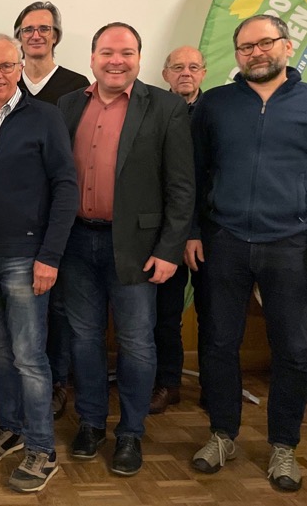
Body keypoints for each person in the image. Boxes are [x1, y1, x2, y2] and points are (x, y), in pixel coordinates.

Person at [56, 23, 194, 476]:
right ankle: (93, 423)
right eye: (107, 52)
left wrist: (170, 249)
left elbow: (181, 186)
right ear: (92, 57)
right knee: (85, 339)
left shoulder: (166, 107)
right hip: (77, 241)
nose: (117, 60)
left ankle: (131, 432)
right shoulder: (68, 104)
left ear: (139, 56)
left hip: (137, 247)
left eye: (127, 52)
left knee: (136, 344)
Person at [189, 14, 307, 493]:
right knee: (218, 343)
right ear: (235, 55)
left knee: (295, 350)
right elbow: (193, 176)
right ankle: (222, 434)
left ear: (287, 44)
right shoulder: (214, 105)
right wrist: (193, 230)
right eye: (245, 47)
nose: (256, 53)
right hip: (224, 240)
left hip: (291, 243)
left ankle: (283, 445)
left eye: (265, 43)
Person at [0, 34, 78, 493]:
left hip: (28, 259)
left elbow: (66, 187)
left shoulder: (44, 117)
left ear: (20, 66)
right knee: (4, 353)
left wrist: (50, 256)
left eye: (7, 66)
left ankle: (42, 450)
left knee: (29, 357)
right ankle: (11, 428)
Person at [13, 1, 90, 419]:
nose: (36, 35)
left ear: (56, 36)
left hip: (63, 216)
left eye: (44, 28)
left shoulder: (78, 86)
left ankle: (58, 382)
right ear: (19, 38)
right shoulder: (6, 82)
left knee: (60, 306)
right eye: (28, 29)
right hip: (16, 221)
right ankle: (25, 385)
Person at [149, 46, 207, 414]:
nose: (185, 73)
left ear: (203, 72)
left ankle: (216, 388)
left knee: (214, 315)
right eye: (177, 67)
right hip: (164, 231)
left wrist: (195, 229)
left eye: (193, 67)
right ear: (165, 74)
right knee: (165, 314)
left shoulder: (217, 111)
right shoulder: (152, 110)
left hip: (211, 233)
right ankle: (167, 383)